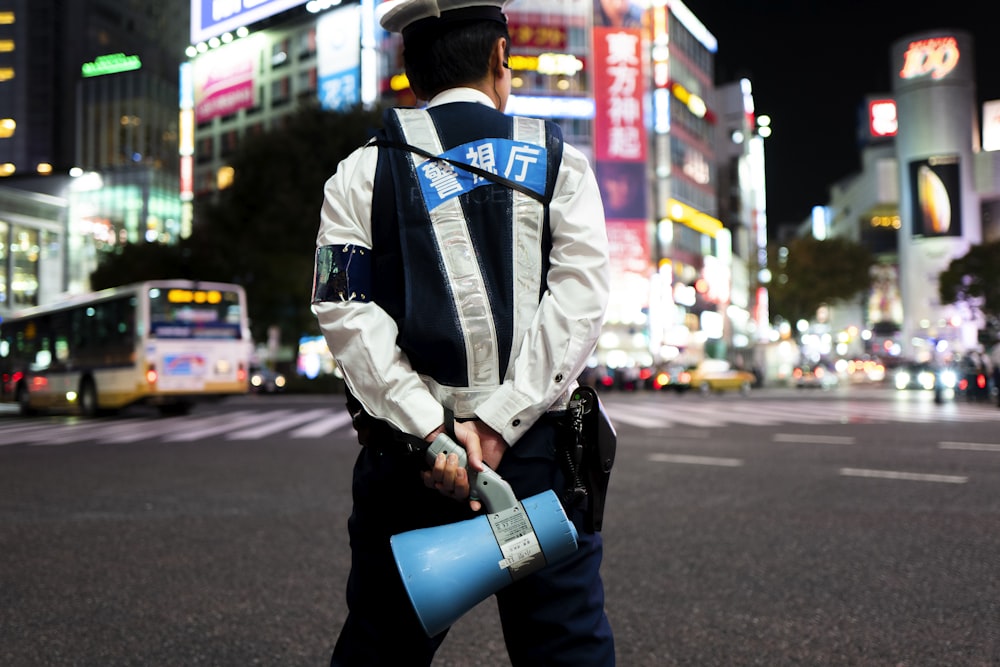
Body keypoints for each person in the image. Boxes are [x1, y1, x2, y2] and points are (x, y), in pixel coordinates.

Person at [309, 0, 615, 664]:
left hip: (416, 463)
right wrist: (499, 423)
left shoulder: (360, 171)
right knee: (565, 647)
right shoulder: (562, 161)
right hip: (536, 461)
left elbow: (343, 310)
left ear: (408, 71)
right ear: (500, 60)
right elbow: (580, 299)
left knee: (383, 646)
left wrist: (431, 431)